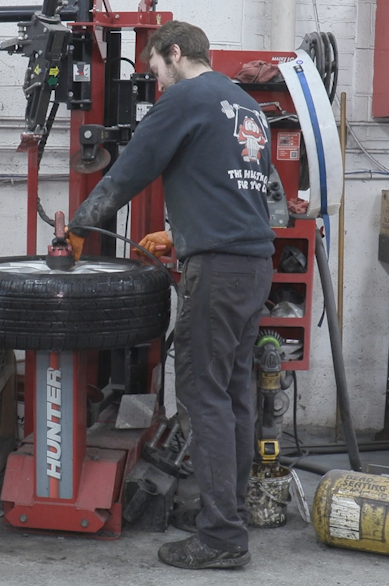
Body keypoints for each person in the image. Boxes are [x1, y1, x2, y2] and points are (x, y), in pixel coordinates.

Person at [67, 21, 275, 570]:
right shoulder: (246, 106)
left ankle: (221, 538)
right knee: (232, 395)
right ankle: (228, 514)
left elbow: (129, 171)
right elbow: (240, 189)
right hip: (254, 265)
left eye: (155, 68)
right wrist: (182, 232)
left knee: (204, 397)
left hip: (218, 269)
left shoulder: (185, 97)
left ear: (175, 53)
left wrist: (79, 227)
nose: (156, 81)